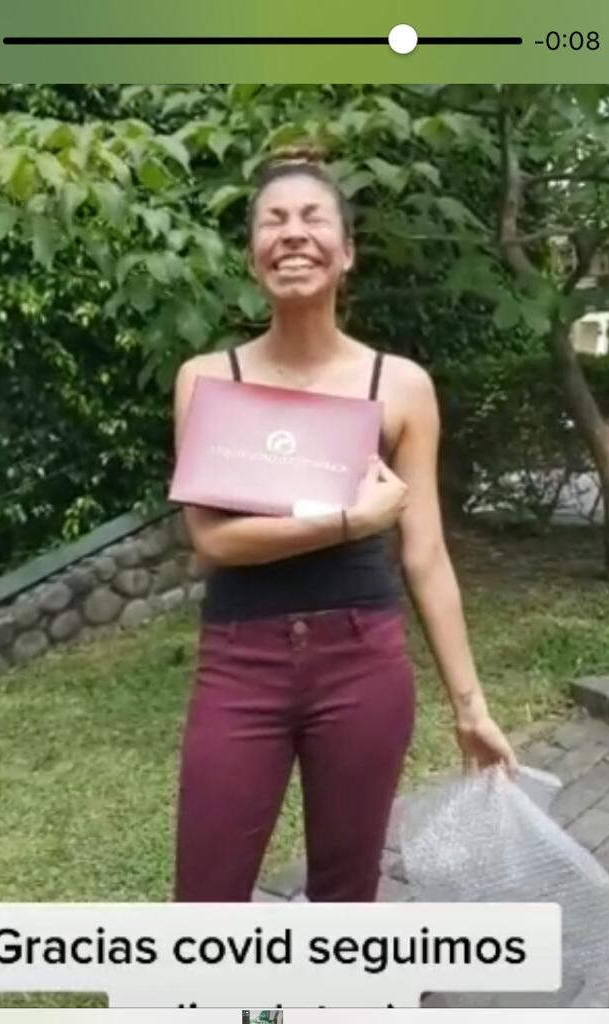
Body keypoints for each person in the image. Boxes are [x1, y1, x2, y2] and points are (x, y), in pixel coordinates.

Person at [172, 145, 517, 903]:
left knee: (347, 894)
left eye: (312, 218)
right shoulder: (208, 379)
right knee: (204, 900)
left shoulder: (399, 385)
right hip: (239, 662)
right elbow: (214, 540)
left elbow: (425, 553)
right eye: (273, 221)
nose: (292, 233)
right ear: (252, 255)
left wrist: (471, 707)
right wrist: (350, 521)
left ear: (347, 251)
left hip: (363, 663)